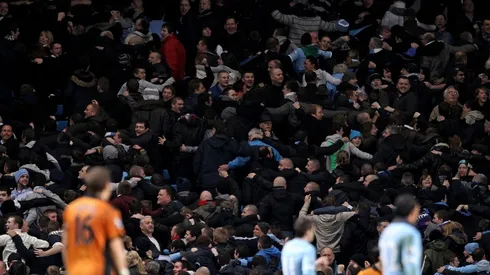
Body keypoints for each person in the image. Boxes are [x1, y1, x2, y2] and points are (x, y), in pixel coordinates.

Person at [63, 166, 128, 275]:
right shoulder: (108, 211)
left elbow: (65, 244)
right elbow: (116, 246)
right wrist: (123, 271)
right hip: (99, 269)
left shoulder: (71, 208)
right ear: (106, 185)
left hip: (76, 270)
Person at [379, 194, 422, 275]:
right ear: (411, 211)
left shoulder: (388, 230)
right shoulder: (410, 232)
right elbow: (411, 264)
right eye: (417, 211)